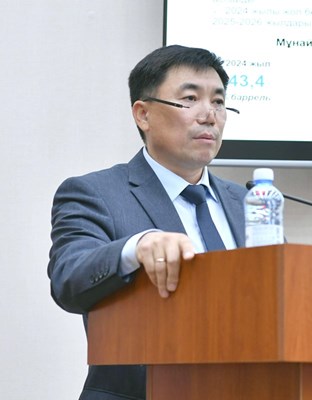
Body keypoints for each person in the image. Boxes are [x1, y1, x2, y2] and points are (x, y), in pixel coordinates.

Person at [47, 45, 247, 400]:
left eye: (218, 102)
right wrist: (135, 248)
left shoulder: (246, 203)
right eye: (190, 99)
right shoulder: (96, 193)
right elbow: (69, 278)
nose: (209, 116)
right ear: (143, 114)